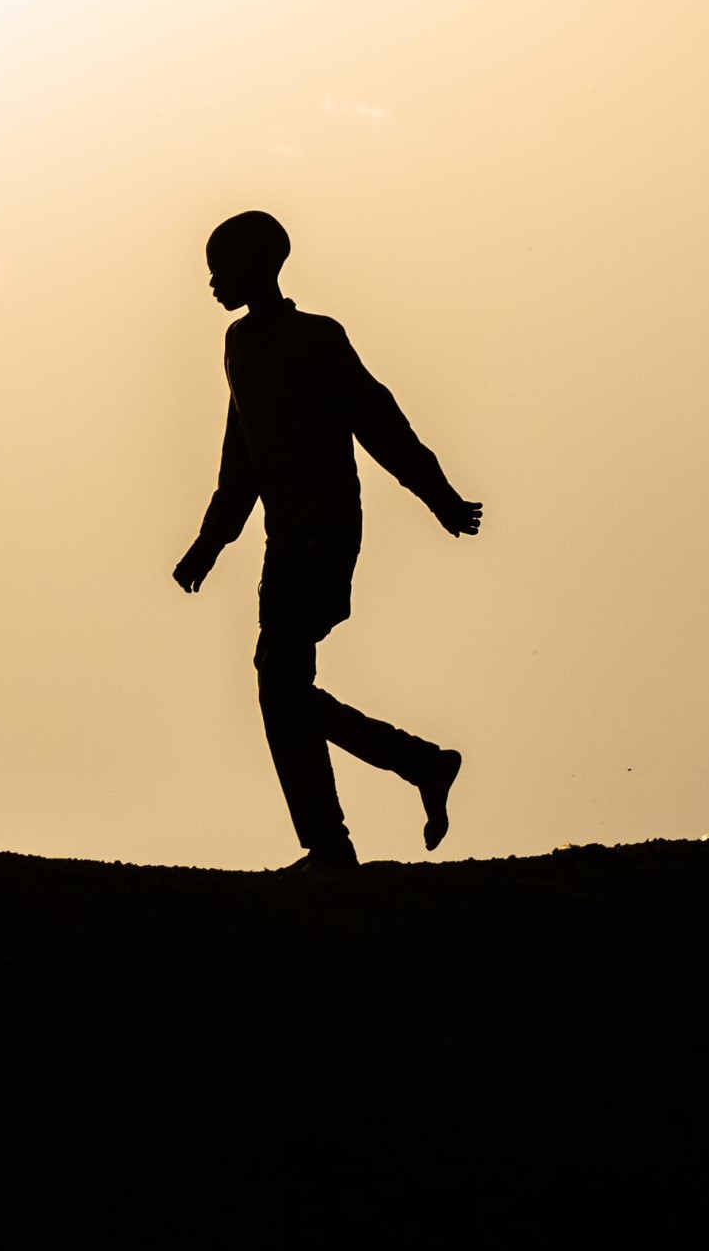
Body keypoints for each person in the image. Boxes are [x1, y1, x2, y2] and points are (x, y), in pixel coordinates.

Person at [170, 210, 481, 871]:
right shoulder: (239, 346)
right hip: (282, 541)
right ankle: (413, 771)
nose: (213, 282)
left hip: (326, 531)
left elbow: (379, 420)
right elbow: (241, 460)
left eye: (221, 268)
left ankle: (340, 836)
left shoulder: (315, 340)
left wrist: (440, 496)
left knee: (278, 678)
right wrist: (211, 542)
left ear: (259, 266)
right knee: (280, 685)